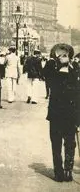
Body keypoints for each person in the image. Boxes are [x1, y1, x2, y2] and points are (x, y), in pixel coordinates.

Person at [43, 43, 80, 182]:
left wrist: (78, 118)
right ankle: (58, 172)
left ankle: (68, 170)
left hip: (70, 115)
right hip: (56, 115)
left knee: (70, 144)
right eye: (60, 55)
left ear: (69, 57)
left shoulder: (75, 72)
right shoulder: (52, 72)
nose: (63, 57)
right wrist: (53, 60)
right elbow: (45, 73)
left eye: (65, 54)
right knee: (56, 144)